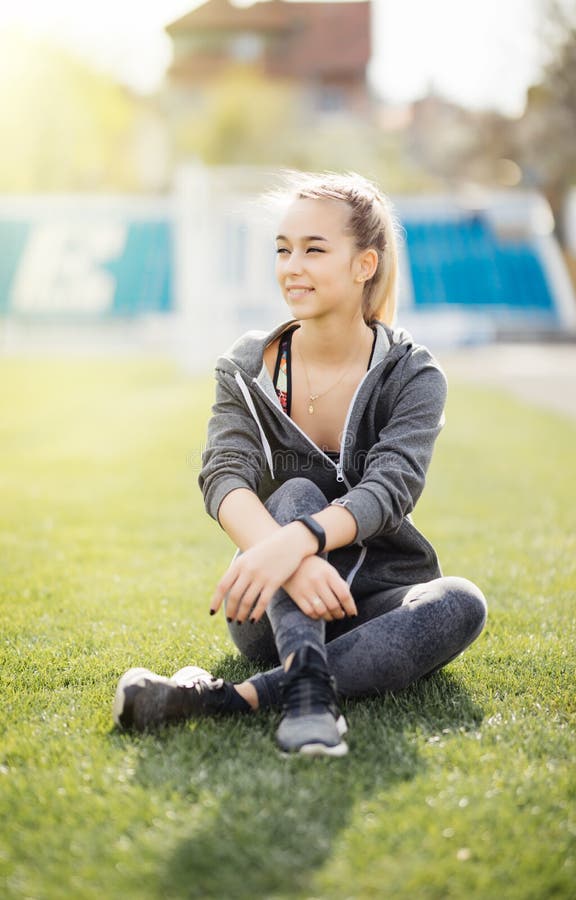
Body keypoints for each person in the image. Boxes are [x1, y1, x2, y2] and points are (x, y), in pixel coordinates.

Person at [113, 171, 487, 756]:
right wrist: (289, 556)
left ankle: (232, 699)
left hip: (373, 602)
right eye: (283, 249)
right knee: (292, 493)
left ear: (365, 264)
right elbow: (223, 473)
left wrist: (301, 543)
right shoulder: (246, 365)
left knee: (461, 601)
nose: (292, 266)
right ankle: (306, 694)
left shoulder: (413, 374)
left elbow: (391, 489)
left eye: (314, 249)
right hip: (273, 598)